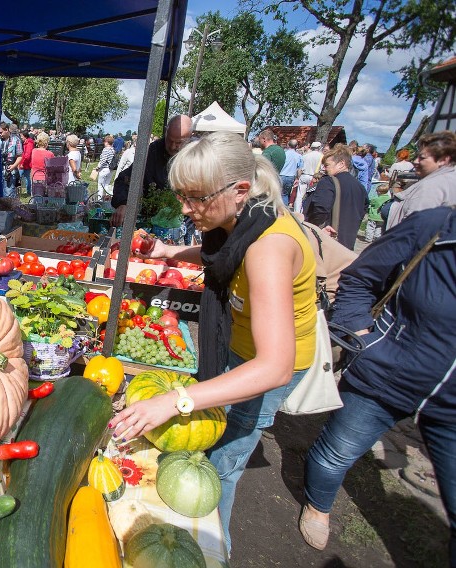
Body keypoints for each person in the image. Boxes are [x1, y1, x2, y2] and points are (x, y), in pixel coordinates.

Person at [109, 131, 317, 554]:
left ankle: (208, 551)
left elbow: (275, 365)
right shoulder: (242, 218)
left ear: (240, 190)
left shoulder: (270, 247)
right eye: (182, 197)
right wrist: (172, 253)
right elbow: (219, 257)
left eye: (195, 199)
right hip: (240, 346)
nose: (186, 209)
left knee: (218, 464)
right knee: (207, 437)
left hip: (268, 363)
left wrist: (176, 399)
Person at [299, 206, 456, 561]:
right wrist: (360, 335)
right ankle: (318, 506)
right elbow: (360, 277)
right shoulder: (436, 227)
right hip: (388, 374)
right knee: (336, 453)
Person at [111, 115, 194, 226]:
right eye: (169, 140)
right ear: (166, 131)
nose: (173, 146)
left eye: (179, 142)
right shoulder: (154, 151)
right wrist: (123, 203)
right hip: (152, 221)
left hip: (187, 221)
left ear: (190, 137)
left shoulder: (197, 155)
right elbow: (125, 178)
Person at [386, 131, 456, 229]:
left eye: (422, 158)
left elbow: (413, 228)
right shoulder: (449, 180)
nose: (415, 161)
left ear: (443, 160)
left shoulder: (432, 186)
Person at [303, 144, 369, 249]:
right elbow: (362, 212)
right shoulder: (360, 187)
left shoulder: (328, 182)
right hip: (348, 241)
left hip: (328, 239)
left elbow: (320, 209)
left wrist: (313, 229)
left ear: (341, 164)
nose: (324, 168)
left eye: (327, 165)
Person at [295, 141, 324, 212]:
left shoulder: (305, 155)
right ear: (319, 147)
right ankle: (304, 211)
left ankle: (297, 211)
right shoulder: (322, 156)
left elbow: (300, 169)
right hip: (314, 177)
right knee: (310, 196)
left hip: (304, 175)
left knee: (299, 195)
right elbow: (322, 169)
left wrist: (298, 177)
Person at [0, 122, 23, 198]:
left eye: (1, 132)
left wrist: (13, 166)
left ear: (6, 130)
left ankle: (10, 209)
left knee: (9, 194)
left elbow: (20, 156)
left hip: (10, 172)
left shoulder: (16, 140)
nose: (0, 134)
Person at [280, 139, 304, 206]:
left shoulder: (283, 154)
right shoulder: (299, 156)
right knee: (285, 195)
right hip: (290, 177)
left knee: (278, 194)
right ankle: (284, 211)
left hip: (281, 175)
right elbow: (299, 169)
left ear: (288, 145)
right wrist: (297, 178)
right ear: (296, 146)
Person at [94, 135, 116, 200]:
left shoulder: (106, 150)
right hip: (111, 169)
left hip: (104, 169)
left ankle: (99, 199)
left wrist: (98, 167)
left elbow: (103, 160)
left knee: (100, 185)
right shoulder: (113, 150)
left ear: (106, 142)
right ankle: (107, 199)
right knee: (107, 185)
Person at [19, 130, 35, 196]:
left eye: (21, 136)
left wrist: (22, 163)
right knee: (26, 178)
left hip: (26, 163)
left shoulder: (29, 143)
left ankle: (28, 192)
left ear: (25, 136)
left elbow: (27, 155)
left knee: (24, 178)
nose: (21, 137)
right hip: (25, 163)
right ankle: (28, 192)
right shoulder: (27, 142)